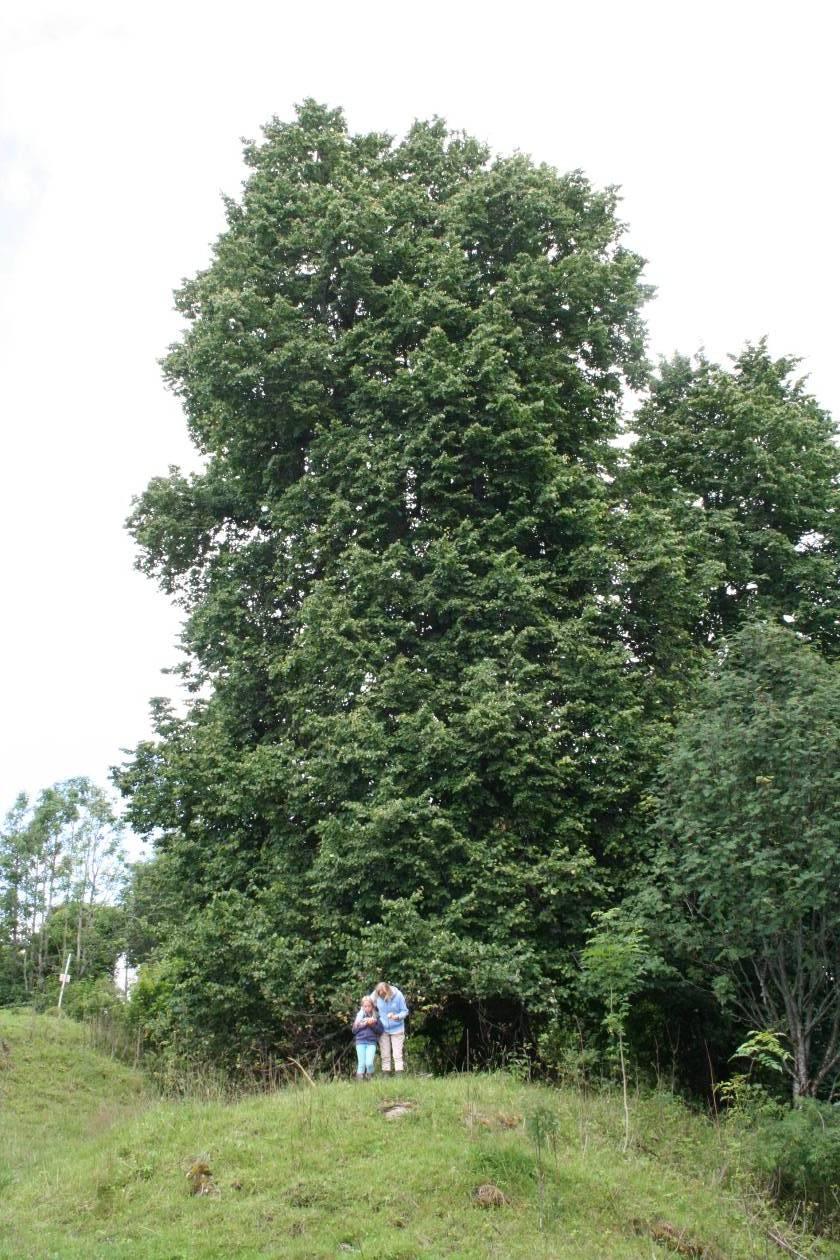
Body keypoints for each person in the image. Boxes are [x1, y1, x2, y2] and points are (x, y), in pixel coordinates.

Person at [371, 982, 409, 1074]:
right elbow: (367, 1006)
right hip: (383, 1028)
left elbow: (405, 1011)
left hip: (397, 1028)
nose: (382, 997)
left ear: (388, 991)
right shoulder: (375, 995)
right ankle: (386, 1076)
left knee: (397, 1055)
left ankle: (399, 1078)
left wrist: (397, 1016)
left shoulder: (398, 995)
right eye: (380, 995)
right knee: (385, 1055)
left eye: (384, 995)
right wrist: (373, 1017)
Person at [352, 995, 383, 1081]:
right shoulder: (359, 1017)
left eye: (369, 1006)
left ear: (372, 1006)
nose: (367, 1008)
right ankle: (360, 1083)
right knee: (361, 1064)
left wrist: (372, 1025)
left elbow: (380, 1031)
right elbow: (354, 1030)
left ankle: (371, 1079)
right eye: (365, 1006)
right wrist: (364, 1024)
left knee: (369, 1063)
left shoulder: (376, 1016)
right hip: (360, 1042)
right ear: (362, 1007)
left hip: (371, 1043)